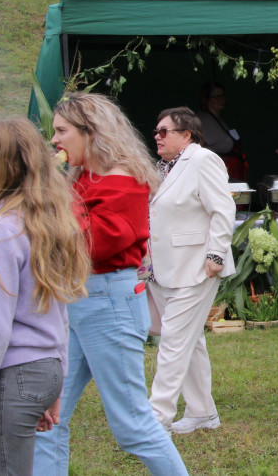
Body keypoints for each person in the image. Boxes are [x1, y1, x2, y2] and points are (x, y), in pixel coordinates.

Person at [35, 93, 188, 474]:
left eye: (61, 131)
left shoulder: (122, 182)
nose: (54, 140)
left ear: (92, 132)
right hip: (81, 300)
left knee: (133, 427)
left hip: (108, 303)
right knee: (44, 419)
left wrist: (55, 195)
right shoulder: (84, 176)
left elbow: (91, 245)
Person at [0, 119, 90, 475]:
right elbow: (58, 313)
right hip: (40, 373)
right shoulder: (43, 219)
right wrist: (55, 381)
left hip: (16, 378)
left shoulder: (0, 232)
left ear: (10, 167)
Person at [148, 107, 236, 433]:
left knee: (173, 340)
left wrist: (215, 253)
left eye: (164, 131)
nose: (157, 137)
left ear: (186, 134)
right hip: (163, 268)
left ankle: (156, 418)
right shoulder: (162, 168)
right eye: (156, 131)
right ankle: (202, 413)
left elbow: (223, 209)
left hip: (197, 266)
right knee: (188, 340)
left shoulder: (202, 159)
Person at [198, 81, 247, 182]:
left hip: (232, 173)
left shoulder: (220, 120)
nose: (221, 99)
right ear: (206, 99)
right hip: (216, 174)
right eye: (216, 96)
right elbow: (199, 146)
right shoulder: (204, 120)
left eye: (223, 96)